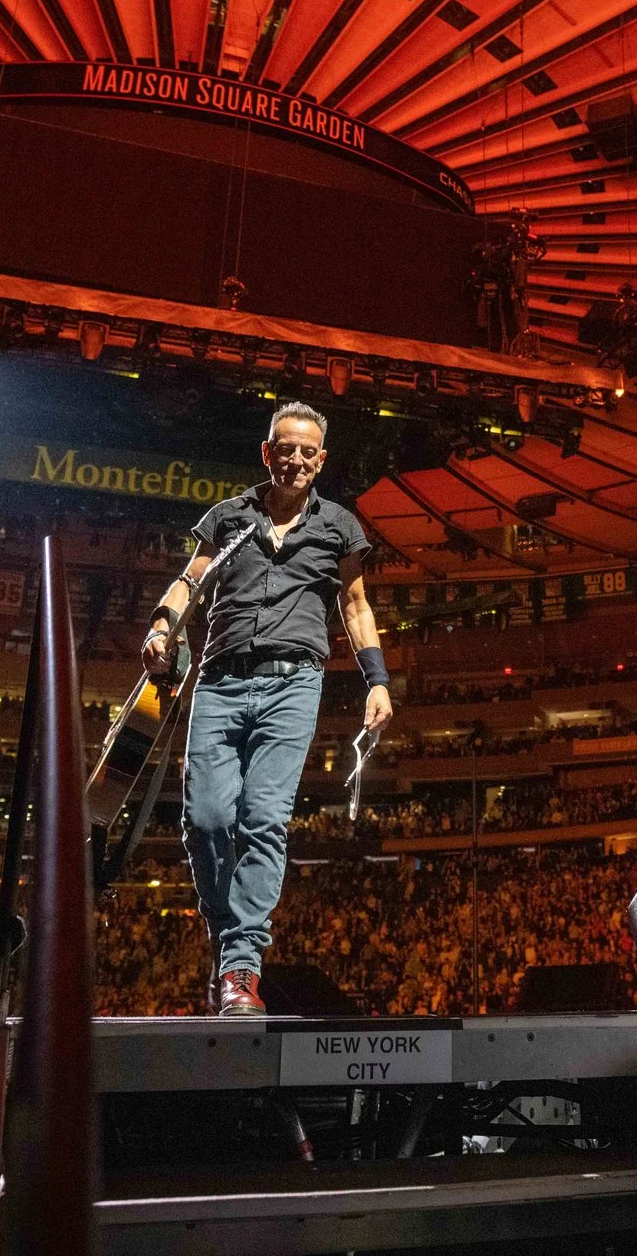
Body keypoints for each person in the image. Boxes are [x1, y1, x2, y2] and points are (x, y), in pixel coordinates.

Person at [143, 401, 392, 1016]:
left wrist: (377, 682)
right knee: (205, 821)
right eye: (286, 448)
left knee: (262, 818)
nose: (297, 459)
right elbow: (191, 580)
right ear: (268, 452)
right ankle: (230, 943)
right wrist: (162, 625)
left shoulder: (339, 526)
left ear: (321, 460)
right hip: (220, 681)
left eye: (308, 451)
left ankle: (240, 969)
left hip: (293, 686)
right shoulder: (229, 517)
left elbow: (356, 606)